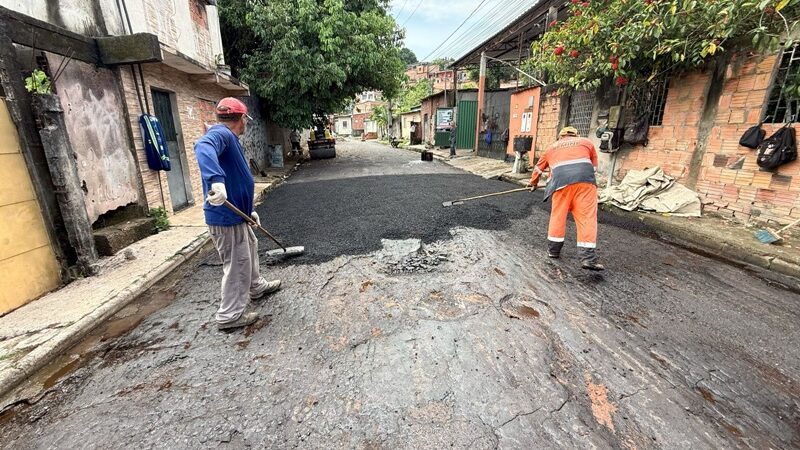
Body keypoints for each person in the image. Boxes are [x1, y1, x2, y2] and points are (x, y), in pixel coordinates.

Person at [195, 98, 282, 330]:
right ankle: (229, 316)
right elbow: (202, 147)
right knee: (237, 263)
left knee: (250, 247)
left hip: (238, 215)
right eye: (245, 119)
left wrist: (249, 210)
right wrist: (216, 181)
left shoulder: (229, 138)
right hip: (225, 218)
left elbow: (236, 177)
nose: (246, 123)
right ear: (242, 118)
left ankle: (256, 286)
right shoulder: (222, 134)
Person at [527, 126, 604, 271]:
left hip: (560, 185)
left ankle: (553, 251)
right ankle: (588, 259)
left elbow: (538, 168)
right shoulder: (587, 143)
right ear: (576, 135)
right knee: (587, 218)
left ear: (560, 137)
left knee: (558, 216)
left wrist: (533, 183)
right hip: (585, 184)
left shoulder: (551, 148)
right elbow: (593, 168)